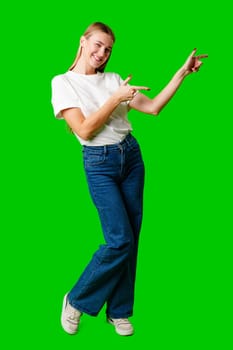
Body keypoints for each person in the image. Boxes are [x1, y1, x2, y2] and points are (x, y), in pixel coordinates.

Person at [51, 22, 208, 336]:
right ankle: (76, 299)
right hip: (99, 163)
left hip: (131, 157)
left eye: (108, 49)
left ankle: (119, 311)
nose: (101, 53)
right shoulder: (63, 82)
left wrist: (181, 73)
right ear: (82, 41)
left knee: (131, 238)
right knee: (118, 239)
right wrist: (115, 99)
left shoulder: (112, 80)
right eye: (97, 44)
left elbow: (152, 108)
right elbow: (84, 130)